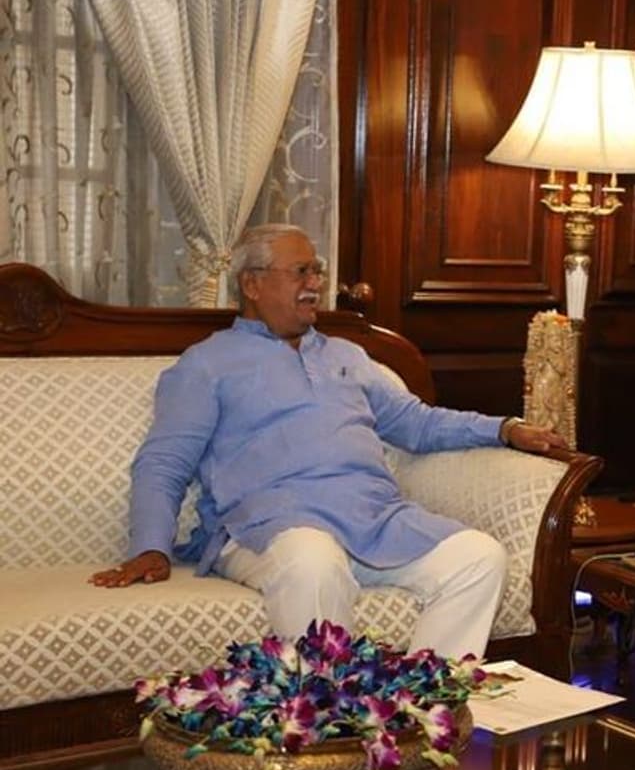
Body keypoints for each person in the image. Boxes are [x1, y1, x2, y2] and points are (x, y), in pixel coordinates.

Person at [90, 223, 566, 660]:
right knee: (314, 562)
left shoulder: (348, 356)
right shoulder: (206, 364)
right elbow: (164, 463)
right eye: (300, 271)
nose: (315, 283)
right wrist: (151, 546)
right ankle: (331, 714)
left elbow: (416, 423)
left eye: (316, 271)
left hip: (373, 519)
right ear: (252, 284)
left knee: (479, 558)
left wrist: (503, 429)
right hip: (270, 527)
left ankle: (419, 704)